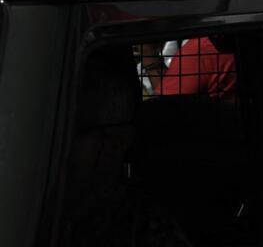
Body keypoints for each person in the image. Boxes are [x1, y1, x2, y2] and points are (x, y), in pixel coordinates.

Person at [59, 48, 193, 247]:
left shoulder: (145, 230)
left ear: (118, 141)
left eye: (78, 129)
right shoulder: (46, 205)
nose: (65, 143)